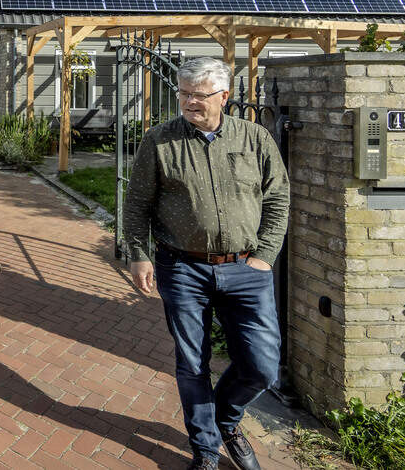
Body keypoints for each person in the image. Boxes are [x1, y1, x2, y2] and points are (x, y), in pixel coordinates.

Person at [123, 57, 289, 470]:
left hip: (246, 269)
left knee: (262, 365)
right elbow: (137, 204)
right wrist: (139, 254)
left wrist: (265, 256)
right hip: (181, 268)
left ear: (224, 96)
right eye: (183, 93)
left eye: (199, 94)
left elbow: (278, 198)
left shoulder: (255, 138)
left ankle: (226, 421)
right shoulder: (160, 141)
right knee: (192, 362)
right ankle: (205, 448)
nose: (189, 102)